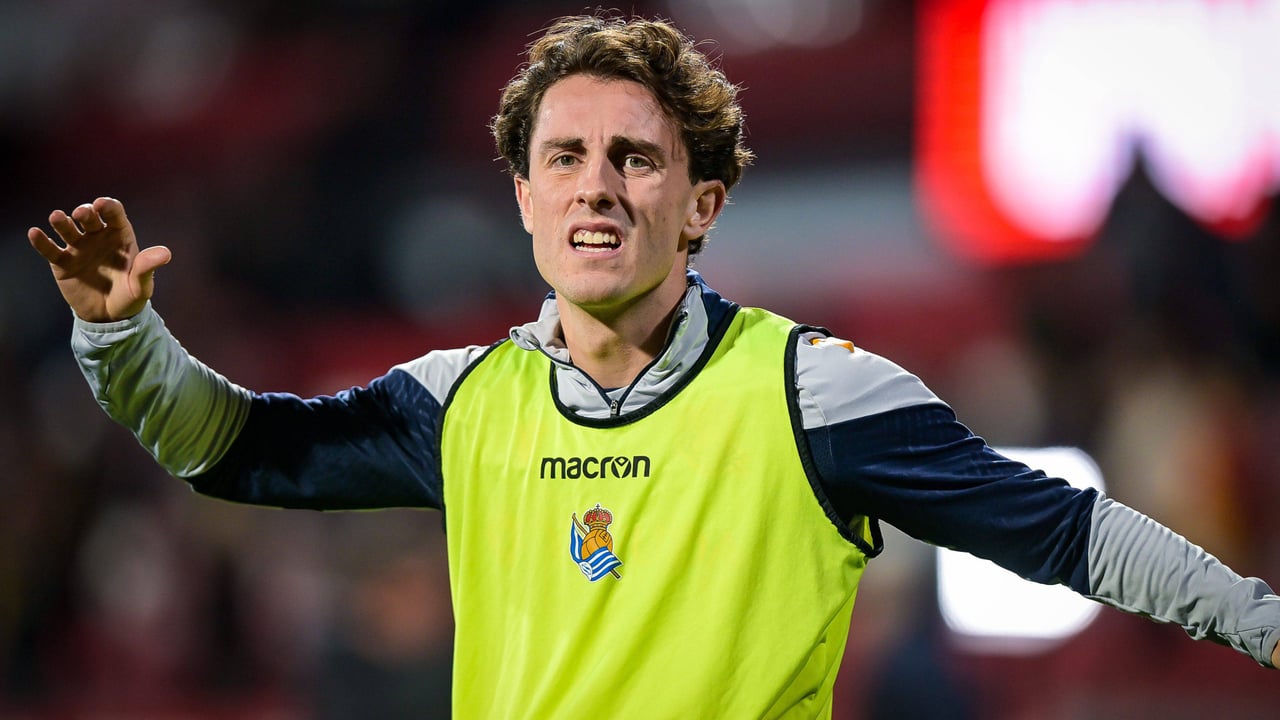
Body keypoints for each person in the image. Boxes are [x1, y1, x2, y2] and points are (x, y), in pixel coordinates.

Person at [26, 12, 1280, 719]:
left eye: (635, 158)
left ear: (701, 205)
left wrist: (1264, 626)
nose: (595, 188)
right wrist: (123, 339)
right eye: (563, 159)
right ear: (523, 202)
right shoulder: (460, 403)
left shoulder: (815, 396)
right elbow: (228, 447)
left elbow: (1073, 537)